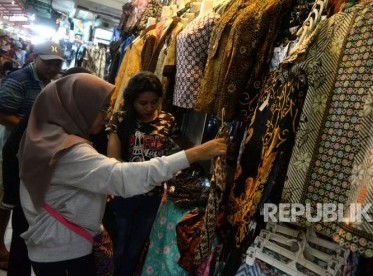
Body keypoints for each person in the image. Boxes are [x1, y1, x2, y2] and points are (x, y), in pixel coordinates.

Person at [17, 73, 226, 275]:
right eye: (102, 108)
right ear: (81, 108)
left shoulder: (45, 135)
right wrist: (195, 153)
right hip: (64, 248)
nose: (106, 115)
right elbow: (122, 176)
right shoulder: (69, 151)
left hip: (54, 241)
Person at [2, 67, 90, 276]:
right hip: (31, 194)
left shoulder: (79, 117)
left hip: (55, 200)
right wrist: (13, 196)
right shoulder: (43, 111)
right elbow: (11, 150)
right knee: (22, 244)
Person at [0, 40, 63, 271]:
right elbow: (2, 113)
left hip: (30, 152)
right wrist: (33, 129)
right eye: (48, 63)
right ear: (35, 58)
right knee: (6, 200)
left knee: (17, 201)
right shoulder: (19, 80)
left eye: (57, 64)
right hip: (8, 148)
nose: (53, 68)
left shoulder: (52, 84)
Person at [106, 71, 178, 275]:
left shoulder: (168, 120)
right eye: (143, 103)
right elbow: (113, 161)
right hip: (124, 195)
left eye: (154, 102)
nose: (149, 108)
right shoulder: (120, 119)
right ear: (132, 101)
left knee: (135, 250)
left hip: (152, 197)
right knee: (117, 248)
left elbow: (172, 154)